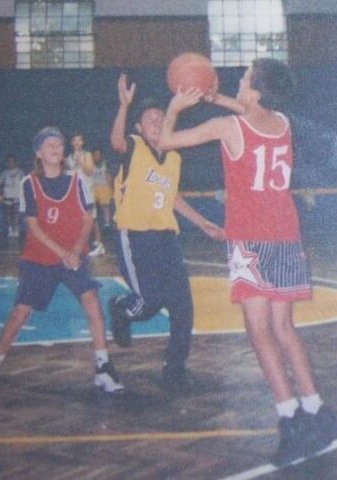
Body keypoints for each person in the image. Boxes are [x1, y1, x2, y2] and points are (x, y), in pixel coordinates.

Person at [158, 58, 337, 465]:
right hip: (287, 236)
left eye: (243, 79)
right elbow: (251, 110)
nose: (238, 81)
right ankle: (318, 411)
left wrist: (175, 108)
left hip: (251, 243)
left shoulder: (228, 128)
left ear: (255, 90)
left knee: (260, 333)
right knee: (285, 329)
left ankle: (289, 421)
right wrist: (216, 96)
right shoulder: (282, 122)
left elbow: (166, 143)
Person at [0, 127, 123, 394]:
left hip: (73, 255)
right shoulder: (29, 183)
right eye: (49, 145)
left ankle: (103, 365)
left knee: (91, 299)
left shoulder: (77, 179)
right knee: (20, 313)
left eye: (59, 144)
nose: (56, 149)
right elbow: (33, 227)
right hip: (40, 259)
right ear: (38, 153)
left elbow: (88, 218)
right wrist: (64, 254)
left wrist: (77, 250)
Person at [109, 74, 224, 394]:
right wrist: (123, 107)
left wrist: (203, 223)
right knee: (149, 301)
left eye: (161, 116)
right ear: (139, 128)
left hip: (166, 237)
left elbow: (173, 197)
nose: (157, 120)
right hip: (134, 235)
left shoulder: (173, 156)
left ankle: (174, 368)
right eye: (149, 118)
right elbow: (116, 142)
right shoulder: (133, 146)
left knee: (183, 306)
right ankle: (121, 307)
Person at [66, 133, 105, 256]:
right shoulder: (69, 158)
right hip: (75, 193)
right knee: (76, 219)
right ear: (72, 143)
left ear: (82, 142)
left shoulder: (87, 155)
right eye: (75, 140)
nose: (77, 142)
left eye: (79, 140)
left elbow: (89, 172)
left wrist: (80, 162)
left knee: (92, 219)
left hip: (87, 192)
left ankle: (99, 245)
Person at [0, 154, 24, 238]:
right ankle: (10, 229)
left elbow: (24, 183)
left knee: (15, 213)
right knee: (8, 213)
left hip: (17, 196)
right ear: (7, 163)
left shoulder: (20, 172)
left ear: (15, 162)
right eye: (9, 161)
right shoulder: (4, 173)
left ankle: (15, 229)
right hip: (7, 195)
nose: (11, 163)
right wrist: (0, 194)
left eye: (12, 161)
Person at [90, 145, 113, 229]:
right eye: (95, 155)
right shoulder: (89, 164)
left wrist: (111, 188)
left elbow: (108, 176)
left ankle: (107, 224)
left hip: (104, 186)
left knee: (105, 206)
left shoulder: (105, 163)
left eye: (98, 155)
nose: (97, 157)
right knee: (92, 207)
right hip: (94, 187)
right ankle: (92, 224)